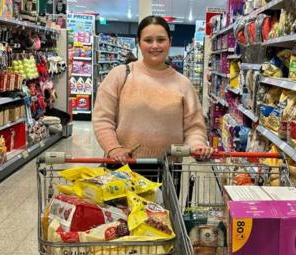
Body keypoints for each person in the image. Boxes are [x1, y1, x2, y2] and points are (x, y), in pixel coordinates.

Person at [92, 15, 214, 165]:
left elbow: (193, 127)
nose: (155, 46)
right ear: (139, 43)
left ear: (170, 42)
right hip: (123, 167)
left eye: (161, 40)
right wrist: (113, 148)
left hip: (168, 169)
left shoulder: (183, 84)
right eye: (148, 40)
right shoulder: (120, 75)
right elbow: (102, 119)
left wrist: (197, 145)